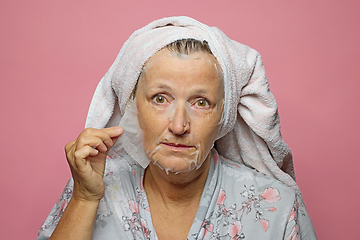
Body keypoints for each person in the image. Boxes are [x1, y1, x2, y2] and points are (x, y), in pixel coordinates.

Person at [37, 16, 317, 240]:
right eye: (160, 99)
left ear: (223, 115)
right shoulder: (91, 187)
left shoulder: (277, 206)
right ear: (133, 106)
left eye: (201, 102)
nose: (179, 125)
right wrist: (85, 199)